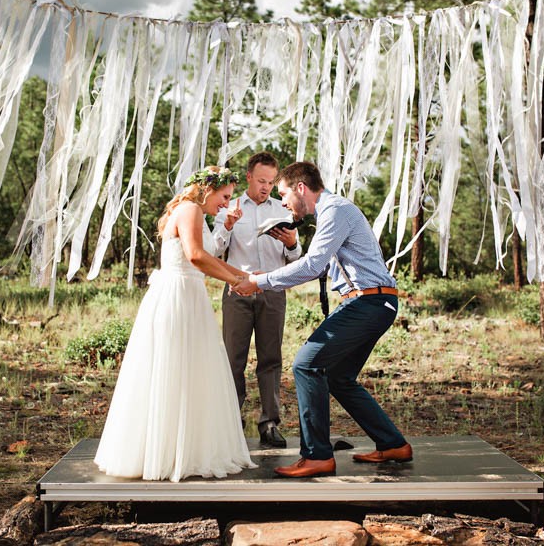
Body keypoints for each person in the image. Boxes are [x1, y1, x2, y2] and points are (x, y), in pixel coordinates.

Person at [233, 161, 412, 477]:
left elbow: (311, 266)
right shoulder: (332, 213)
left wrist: (259, 282)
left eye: (285, 194)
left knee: (305, 364)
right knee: (339, 378)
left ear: (301, 188)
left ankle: (317, 455)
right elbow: (315, 264)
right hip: (371, 302)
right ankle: (392, 443)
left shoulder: (335, 211)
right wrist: (268, 275)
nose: (285, 203)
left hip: (369, 302)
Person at [95, 166, 257, 482]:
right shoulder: (190, 209)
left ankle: (182, 448)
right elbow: (196, 256)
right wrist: (235, 282)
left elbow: (209, 258)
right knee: (175, 370)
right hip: (179, 297)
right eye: (224, 197)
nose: (226, 204)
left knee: (189, 373)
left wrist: (243, 276)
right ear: (208, 189)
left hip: (189, 296)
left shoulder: (196, 213)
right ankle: (167, 453)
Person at [213, 152, 302, 448]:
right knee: (232, 360)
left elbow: (294, 258)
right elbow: (214, 251)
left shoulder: (283, 209)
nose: (266, 186)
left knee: (271, 359)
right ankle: (229, 422)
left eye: (271, 181)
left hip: (273, 292)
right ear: (249, 176)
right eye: (261, 180)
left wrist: (292, 244)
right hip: (238, 292)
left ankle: (270, 423)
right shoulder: (229, 206)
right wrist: (226, 226)